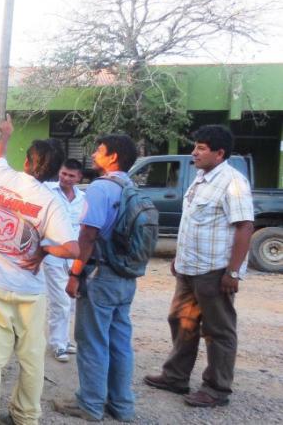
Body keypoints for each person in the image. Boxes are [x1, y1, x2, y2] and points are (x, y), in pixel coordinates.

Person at [0, 114, 80, 425]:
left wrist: (6, 134)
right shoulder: (50, 202)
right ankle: (26, 415)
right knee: (31, 358)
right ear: (56, 171)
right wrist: (43, 249)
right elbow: (72, 248)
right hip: (29, 290)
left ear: (28, 162)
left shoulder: (4, 178)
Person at [144, 125, 254, 408]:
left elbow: (244, 227)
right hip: (189, 269)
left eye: (201, 148)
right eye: (195, 146)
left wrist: (232, 272)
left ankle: (217, 389)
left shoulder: (233, 182)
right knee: (181, 322)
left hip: (215, 272)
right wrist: (179, 259)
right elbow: (191, 223)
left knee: (218, 332)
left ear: (219, 153)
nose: (194, 152)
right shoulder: (201, 178)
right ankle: (176, 377)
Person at [53, 134, 139, 422]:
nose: (93, 153)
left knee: (91, 340)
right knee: (119, 341)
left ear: (112, 157)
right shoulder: (130, 186)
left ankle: (90, 404)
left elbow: (87, 235)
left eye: (99, 150)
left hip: (100, 273)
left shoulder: (101, 188)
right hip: (125, 276)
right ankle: (122, 405)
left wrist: (75, 273)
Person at [40, 159, 86, 362]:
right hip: (53, 254)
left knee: (71, 300)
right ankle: (58, 344)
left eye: (71, 175)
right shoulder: (47, 190)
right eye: (63, 173)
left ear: (79, 178)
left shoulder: (83, 198)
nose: (65, 178)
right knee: (60, 300)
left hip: (73, 256)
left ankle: (64, 339)